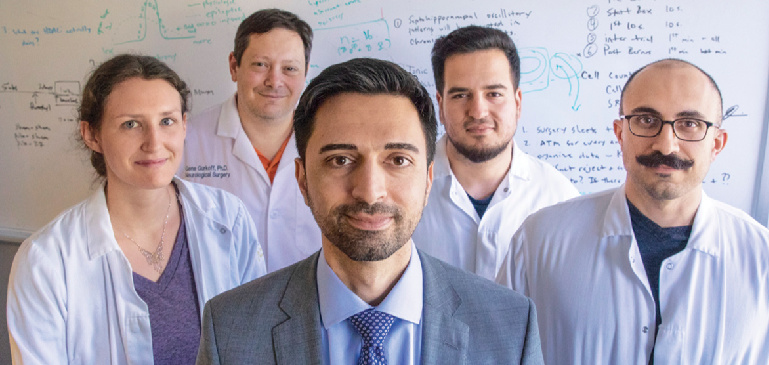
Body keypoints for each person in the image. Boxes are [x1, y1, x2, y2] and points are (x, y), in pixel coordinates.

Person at [195, 58, 543, 364]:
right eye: (340, 160)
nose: (369, 191)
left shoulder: (512, 327)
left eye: (398, 160)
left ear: (427, 179)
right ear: (302, 180)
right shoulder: (229, 330)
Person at [497, 58, 769, 364]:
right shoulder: (539, 241)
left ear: (717, 143)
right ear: (620, 134)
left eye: (689, 124)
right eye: (646, 120)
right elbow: (498, 351)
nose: (666, 144)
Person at [6, 54, 266, 364]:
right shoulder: (45, 260)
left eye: (166, 121)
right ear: (92, 134)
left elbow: (256, 343)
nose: (154, 143)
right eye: (131, 124)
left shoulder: (228, 218)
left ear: (184, 125)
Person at [412, 26, 579, 280]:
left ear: (517, 102)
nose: (478, 111)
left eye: (494, 94)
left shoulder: (559, 199)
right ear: (441, 106)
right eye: (461, 95)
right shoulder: (404, 188)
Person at [181, 9, 320, 272]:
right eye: (260, 65)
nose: (274, 81)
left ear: (305, 73)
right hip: (219, 305)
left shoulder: (328, 143)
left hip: (309, 305)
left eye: (289, 68)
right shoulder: (186, 141)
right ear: (234, 67)